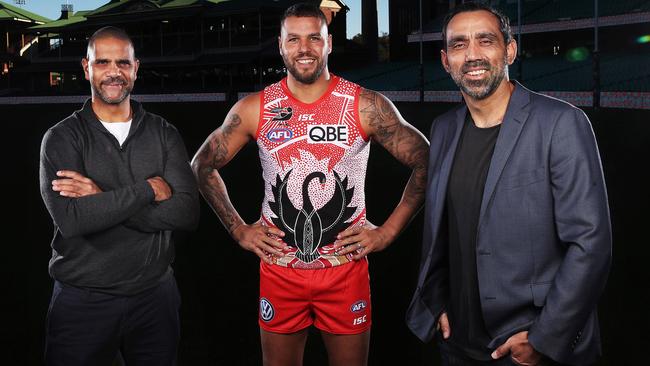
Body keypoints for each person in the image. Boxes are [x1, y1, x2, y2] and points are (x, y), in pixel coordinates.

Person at [191, 3, 429, 366]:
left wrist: (389, 232)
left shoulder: (363, 105)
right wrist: (238, 229)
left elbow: (425, 160)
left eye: (314, 38)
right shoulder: (256, 107)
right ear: (281, 45)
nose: (305, 48)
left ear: (329, 43)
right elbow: (202, 164)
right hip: (280, 272)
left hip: (345, 270)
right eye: (294, 39)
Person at [406, 3, 611, 366]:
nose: (472, 55)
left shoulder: (561, 124)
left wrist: (545, 339)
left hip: (526, 348)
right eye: (458, 45)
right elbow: (440, 232)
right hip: (457, 346)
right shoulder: (443, 130)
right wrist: (435, 299)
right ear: (444, 60)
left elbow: (590, 244)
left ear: (510, 50)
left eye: (485, 41)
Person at [39, 26, 199, 366]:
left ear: (136, 68)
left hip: (155, 298)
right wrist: (147, 190)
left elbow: (186, 213)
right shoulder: (62, 138)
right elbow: (74, 220)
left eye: (123, 63)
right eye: (103, 62)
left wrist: (101, 196)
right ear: (87, 67)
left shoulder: (163, 132)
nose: (114, 72)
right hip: (84, 301)